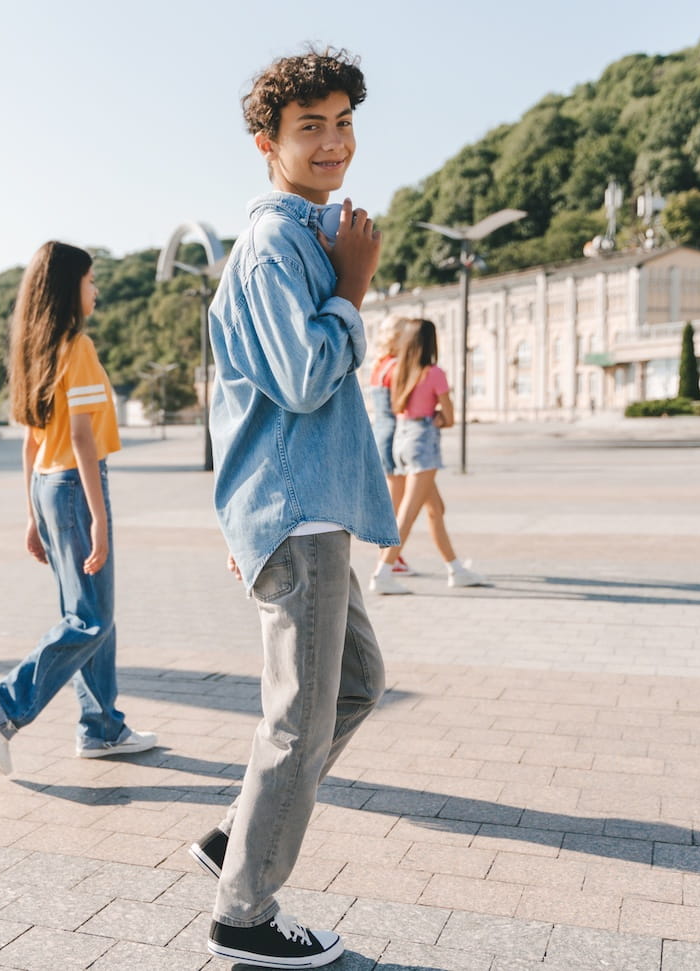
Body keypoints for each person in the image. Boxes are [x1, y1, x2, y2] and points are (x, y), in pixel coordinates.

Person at [187, 47, 398, 968]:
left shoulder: (306, 234)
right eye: (310, 126)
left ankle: (240, 833)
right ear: (267, 143)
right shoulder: (276, 243)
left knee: (355, 684)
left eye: (343, 122)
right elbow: (305, 379)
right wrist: (352, 288)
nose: (333, 141)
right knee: (297, 718)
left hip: (312, 507)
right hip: (296, 508)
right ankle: (244, 912)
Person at [0, 241, 157, 776]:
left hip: (48, 488)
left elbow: (31, 443)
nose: (96, 290)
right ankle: (6, 702)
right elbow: (81, 439)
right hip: (74, 486)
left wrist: (32, 514)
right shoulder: (78, 347)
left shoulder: (35, 352)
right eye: (90, 280)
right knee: (92, 618)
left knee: (91, 613)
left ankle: (102, 728)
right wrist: (100, 520)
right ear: (68, 287)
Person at [370, 318, 487, 594]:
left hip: (401, 441)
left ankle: (456, 569)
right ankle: (383, 573)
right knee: (408, 513)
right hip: (422, 443)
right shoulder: (434, 373)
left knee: (436, 509)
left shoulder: (397, 371)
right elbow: (449, 418)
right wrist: (436, 416)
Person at [369, 316, 415, 576]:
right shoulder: (397, 367)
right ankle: (389, 557)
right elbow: (401, 405)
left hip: (381, 431)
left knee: (398, 498)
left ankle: (391, 556)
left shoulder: (380, 365)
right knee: (397, 502)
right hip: (396, 434)